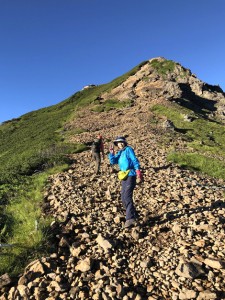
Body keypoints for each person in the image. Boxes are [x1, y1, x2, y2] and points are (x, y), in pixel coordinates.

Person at [108, 136, 143, 228]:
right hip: (123, 176)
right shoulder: (120, 152)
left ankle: (130, 219)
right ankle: (134, 215)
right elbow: (113, 161)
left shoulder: (128, 150)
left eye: (122, 142)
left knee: (127, 196)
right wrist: (111, 153)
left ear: (125, 142)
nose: (120, 144)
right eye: (118, 143)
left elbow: (134, 160)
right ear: (117, 145)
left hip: (131, 174)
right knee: (123, 197)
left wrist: (138, 172)